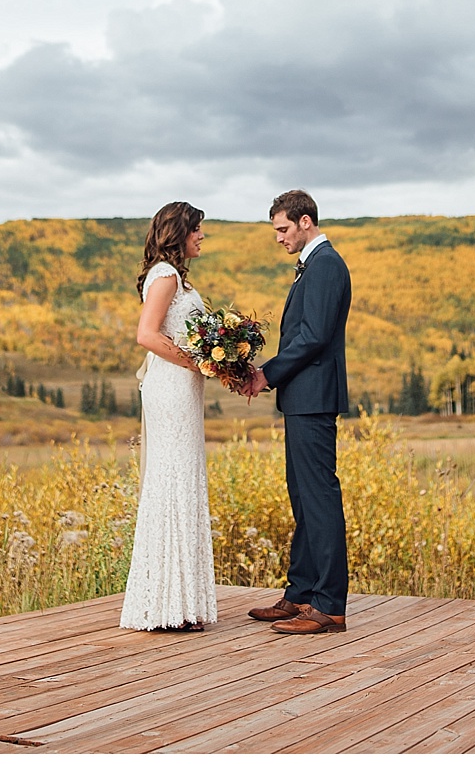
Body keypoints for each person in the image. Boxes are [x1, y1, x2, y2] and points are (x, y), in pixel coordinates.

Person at [243, 189, 352, 634]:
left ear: (306, 222)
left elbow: (312, 337)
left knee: (319, 499)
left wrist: (266, 374)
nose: (279, 238)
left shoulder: (326, 264)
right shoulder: (313, 265)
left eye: (283, 229)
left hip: (314, 398)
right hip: (302, 399)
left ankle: (329, 605)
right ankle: (301, 594)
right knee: (303, 497)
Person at [118, 201, 218, 632]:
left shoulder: (179, 279)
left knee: (184, 478)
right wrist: (197, 363)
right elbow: (146, 334)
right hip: (172, 390)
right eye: (197, 230)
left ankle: (180, 601)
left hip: (184, 391)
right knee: (172, 480)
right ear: (179, 232)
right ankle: (163, 602)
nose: (202, 237)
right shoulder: (165, 276)